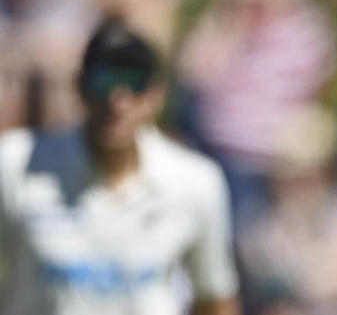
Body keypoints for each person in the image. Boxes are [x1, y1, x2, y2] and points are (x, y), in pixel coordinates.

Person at [0, 19, 240, 315]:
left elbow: (214, 298)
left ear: (156, 95)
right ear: (81, 87)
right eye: (104, 81)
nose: (118, 101)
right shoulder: (16, 163)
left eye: (134, 83)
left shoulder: (196, 181)